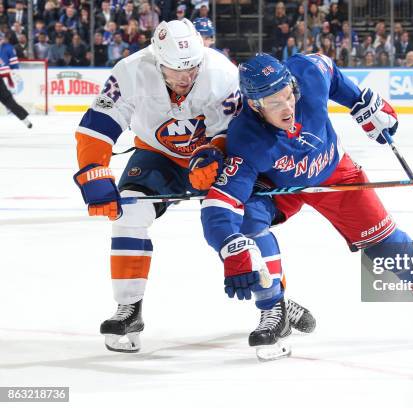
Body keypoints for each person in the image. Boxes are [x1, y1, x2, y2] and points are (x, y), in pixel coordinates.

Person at [192, 53, 413, 359]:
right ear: (254, 105)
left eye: (288, 95)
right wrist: (229, 246)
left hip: (335, 175)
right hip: (282, 186)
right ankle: (273, 307)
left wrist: (361, 101)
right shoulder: (246, 136)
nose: (288, 107)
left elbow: (329, 70)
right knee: (247, 228)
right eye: (275, 102)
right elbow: (222, 203)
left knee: (387, 247)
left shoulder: (306, 75)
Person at [72, 19, 314, 353]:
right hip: (158, 154)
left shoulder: (221, 72)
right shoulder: (129, 71)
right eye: (176, 71)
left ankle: (275, 304)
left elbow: (237, 131)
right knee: (128, 211)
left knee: (243, 222)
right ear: (158, 61)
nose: (187, 78)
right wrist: (93, 168)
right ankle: (129, 309)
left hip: (211, 157)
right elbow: (98, 124)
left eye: (193, 69)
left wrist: (214, 153)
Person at [0, 31, 31, 128]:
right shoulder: (7, 47)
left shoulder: (8, 47)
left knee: (8, 100)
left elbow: (14, 65)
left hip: (3, 76)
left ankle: (25, 119)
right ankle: (25, 120)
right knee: (8, 100)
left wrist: (14, 73)